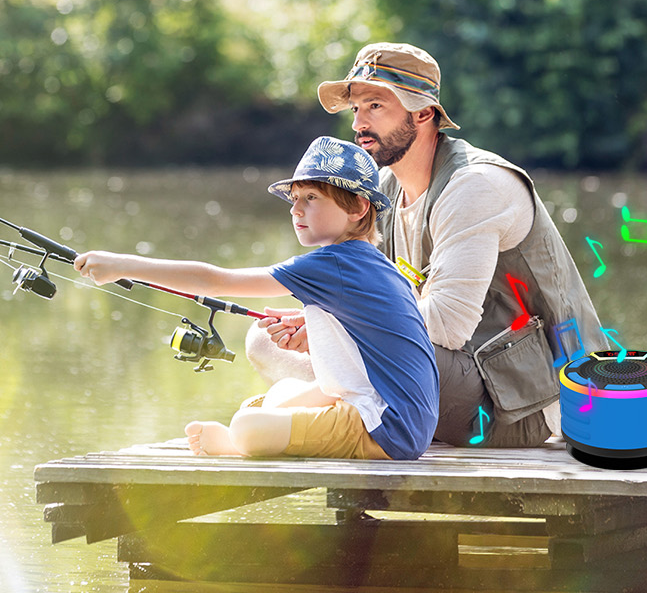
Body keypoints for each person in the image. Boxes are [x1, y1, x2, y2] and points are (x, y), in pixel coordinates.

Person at [248, 43, 607, 448]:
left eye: (376, 106)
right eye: (356, 109)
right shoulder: (382, 190)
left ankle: (320, 416)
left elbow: (448, 326)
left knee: (339, 342)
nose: (359, 124)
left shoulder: (474, 186)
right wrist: (320, 318)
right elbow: (374, 297)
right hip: (444, 376)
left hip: (524, 405)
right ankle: (333, 414)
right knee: (262, 340)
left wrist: (338, 324)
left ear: (422, 113)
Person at [74, 137, 438, 460]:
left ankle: (235, 442)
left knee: (249, 424)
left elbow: (215, 281)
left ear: (358, 208)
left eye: (311, 198)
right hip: (399, 418)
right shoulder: (368, 260)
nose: (296, 210)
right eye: (295, 199)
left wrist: (123, 265)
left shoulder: (335, 263)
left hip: (386, 430)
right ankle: (248, 432)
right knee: (277, 396)